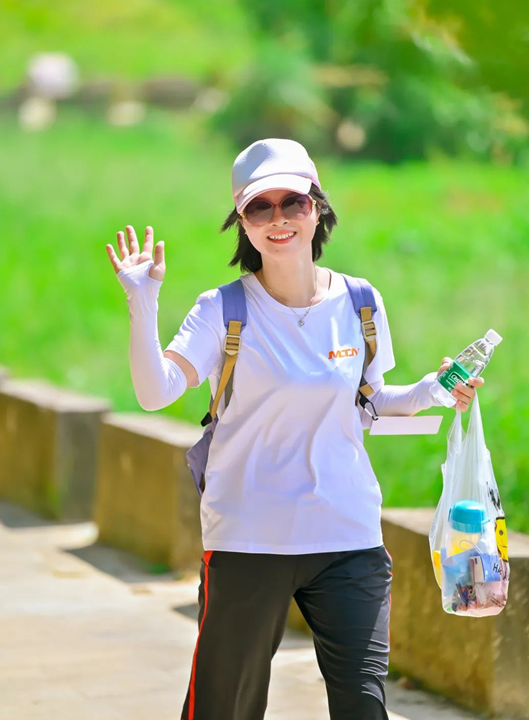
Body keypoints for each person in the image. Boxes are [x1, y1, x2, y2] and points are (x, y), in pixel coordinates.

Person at [106, 138, 485, 720]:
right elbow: (155, 392)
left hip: (348, 536)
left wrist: (434, 389)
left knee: (363, 706)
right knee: (226, 708)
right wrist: (143, 302)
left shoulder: (361, 301)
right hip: (249, 540)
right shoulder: (222, 309)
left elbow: (371, 400)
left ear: (317, 208)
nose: (278, 218)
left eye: (294, 202)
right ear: (242, 222)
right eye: (260, 207)